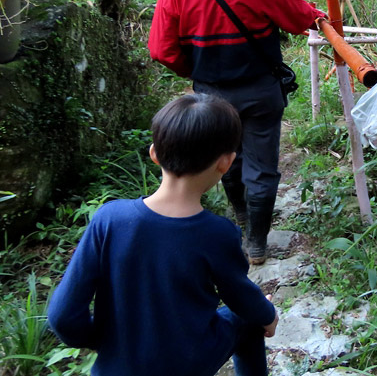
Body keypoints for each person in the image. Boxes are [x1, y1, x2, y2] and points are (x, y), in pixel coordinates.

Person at [47, 93, 280, 376]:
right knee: (250, 318)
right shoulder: (218, 233)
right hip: (186, 363)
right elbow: (240, 296)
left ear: (154, 153)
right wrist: (268, 316)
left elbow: (62, 316)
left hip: (116, 367)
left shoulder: (108, 219)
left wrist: (107, 342)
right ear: (226, 163)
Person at [148, 0, 326, 263]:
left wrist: (195, 71)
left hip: (210, 94)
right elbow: (301, 19)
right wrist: (320, 16)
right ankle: (257, 242)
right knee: (263, 165)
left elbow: (162, 50)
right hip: (261, 91)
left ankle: (242, 217)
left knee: (225, 156)